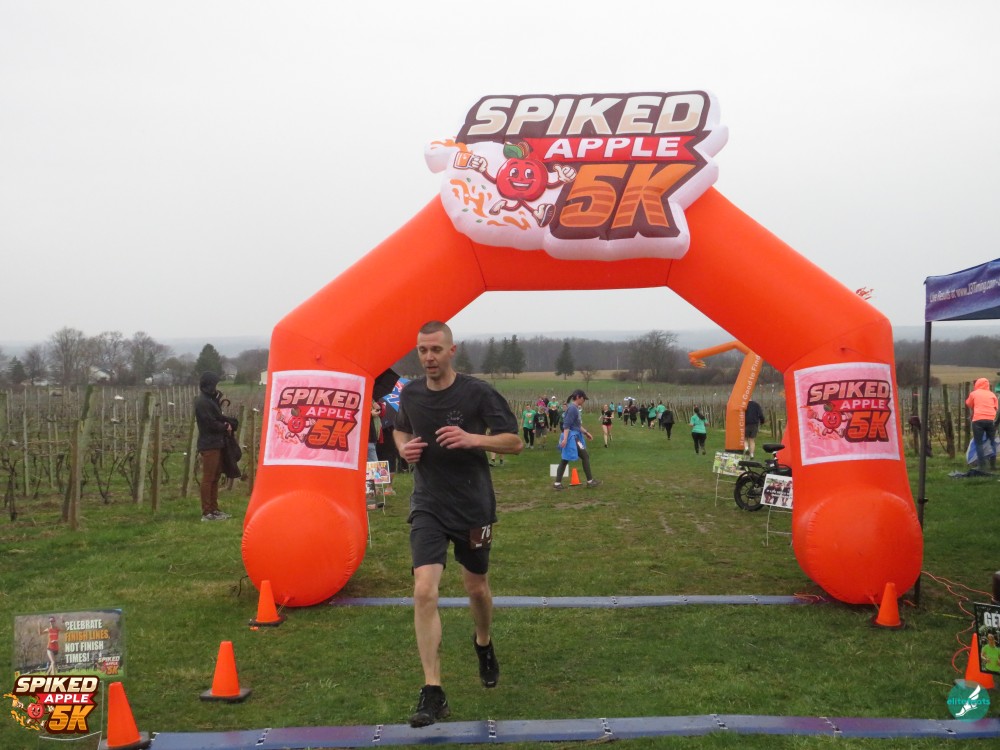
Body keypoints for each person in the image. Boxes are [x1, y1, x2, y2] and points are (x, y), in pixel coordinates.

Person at [394, 321, 522, 728]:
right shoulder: (411, 394)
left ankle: (483, 642)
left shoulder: (477, 392)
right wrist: (404, 448)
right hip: (428, 504)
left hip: (473, 506)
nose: (428, 357)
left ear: (452, 351)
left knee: (476, 587)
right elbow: (400, 429)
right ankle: (433, 690)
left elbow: (515, 441)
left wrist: (474, 439)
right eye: (422, 350)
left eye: (436, 349)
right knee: (424, 589)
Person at [194, 372, 235, 521]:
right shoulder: (202, 402)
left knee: (215, 477)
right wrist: (225, 426)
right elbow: (209, 423)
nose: (217, 387)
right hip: (209, 444)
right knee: (208, 477)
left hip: (216, 442)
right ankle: (207, 512)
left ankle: (214, 509)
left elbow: (216, 417)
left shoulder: (210, 400)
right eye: (215, 384)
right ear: (209, 385)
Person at [553, 389, 601, 489]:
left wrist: (586, 433)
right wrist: (565, 439)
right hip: (571, 437)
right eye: (583, 399)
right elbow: (566, 425)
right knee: (584, 456)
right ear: (578, 397)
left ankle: (557, 483)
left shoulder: (574, 408)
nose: (584, 401)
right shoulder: (572, 409)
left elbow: (577, 425)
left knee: (565, 459)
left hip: (573, 436)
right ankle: (590, 481)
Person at [966, 377, 999, 473]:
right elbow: (996, 407)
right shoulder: (992, 394)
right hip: (991, 420)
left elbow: (969, 403)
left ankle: (982, 466)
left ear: (977, 384)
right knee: (992, 442)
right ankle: (993, 465)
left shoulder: (974, 393)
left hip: (978, 420)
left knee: (979, 443)